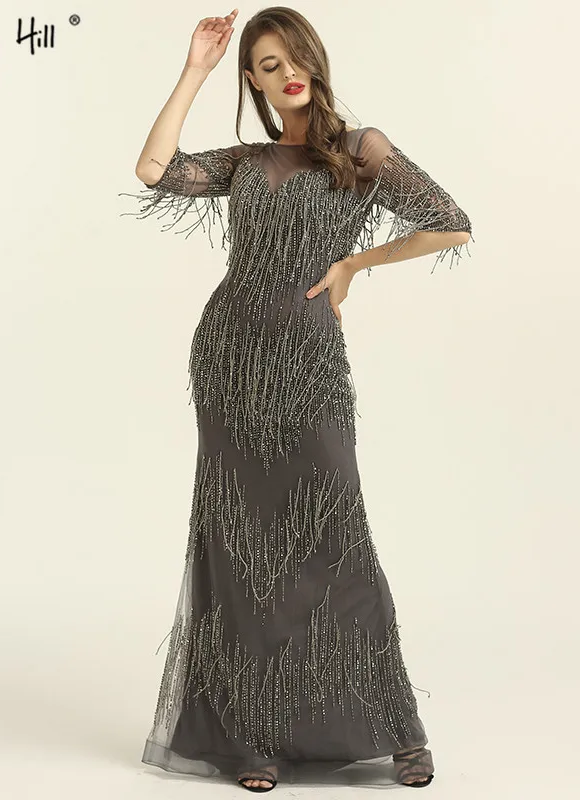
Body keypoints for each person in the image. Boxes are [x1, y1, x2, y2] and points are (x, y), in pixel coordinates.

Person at [120, 6, 473, 792]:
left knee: (337, 534)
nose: (287, 74)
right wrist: (196, 70)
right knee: (242, 547)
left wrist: (353, 265)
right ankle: (253, 737)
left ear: (315, 60)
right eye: (269, 65)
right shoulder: (248, 160)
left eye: (295, 58)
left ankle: (396, 731)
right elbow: (153, 169)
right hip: (229, 357)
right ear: (253, 80)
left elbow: (450, 223)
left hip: (309, 361)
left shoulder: (361, 150)